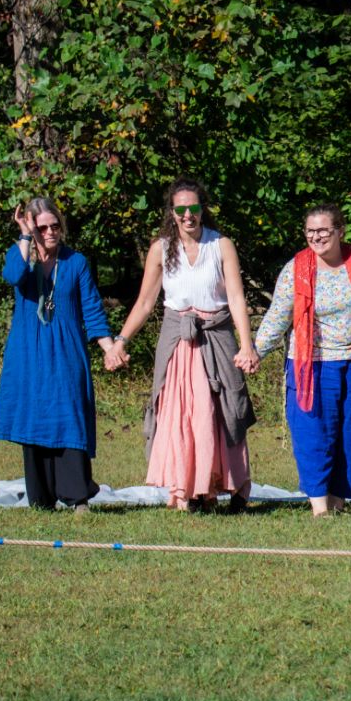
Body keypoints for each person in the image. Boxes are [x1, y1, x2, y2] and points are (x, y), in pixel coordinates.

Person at [114, 177, 259, 513]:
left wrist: (246, 345)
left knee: (222, 412)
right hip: (178, 341)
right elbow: (146, 302)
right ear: (172, 212)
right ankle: (189, 491)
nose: (188, 215)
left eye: (193, 208)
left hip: (216, 336)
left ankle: (230, 487)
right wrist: (120, 340)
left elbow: (236, 298)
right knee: (182, 416)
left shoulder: (221, 245)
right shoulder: (160, 249)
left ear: (202, 209)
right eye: (181, 209)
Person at [252, 204, 351, 517]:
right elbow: (278, 315)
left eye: (324, 230)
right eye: (310, 231)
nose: (316, 237)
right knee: (313, 434)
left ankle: (339, 502)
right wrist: (255, 350)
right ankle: (319, 509)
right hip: (311, 365)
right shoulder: (298, 268)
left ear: (340, 231)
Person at [0, 198, 123, 511]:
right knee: (34, 419)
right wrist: (25, 235)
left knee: (69, 417)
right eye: (43, 227)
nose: (51, 232)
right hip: (27, 356)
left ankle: (77, 497)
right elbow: (13, 275)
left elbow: (91, 309)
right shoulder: (21, 256)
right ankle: (42, 499)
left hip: (65, 353)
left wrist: (110, 348)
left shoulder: (75, 262)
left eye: (55, 226)